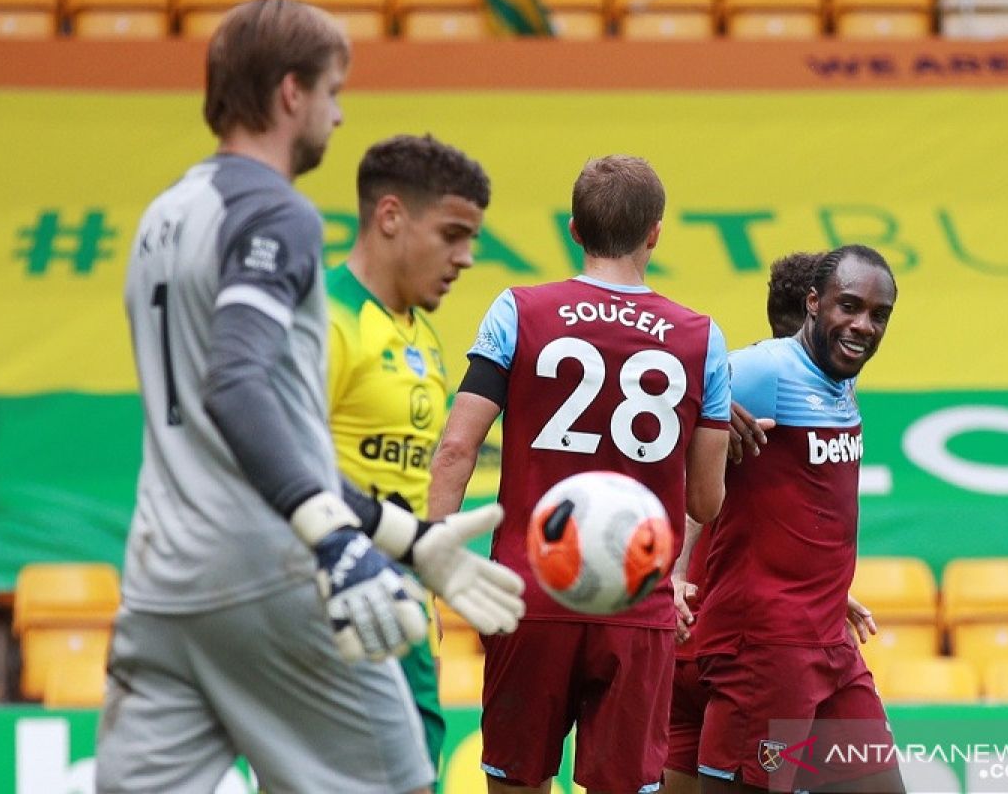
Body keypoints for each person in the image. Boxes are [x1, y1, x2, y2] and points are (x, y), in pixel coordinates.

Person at [97, 2, 522, 793]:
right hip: (268, 575)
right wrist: (335, 541)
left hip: (160, 584)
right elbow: (239, 387)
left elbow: (257, 432)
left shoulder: (163, 215)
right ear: (291, 93)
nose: (338, 112)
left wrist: (402, 533)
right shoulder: (274, 211)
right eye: (333, 90)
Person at [428, 154, 732, 794]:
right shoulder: (702, 339)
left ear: (574, 229)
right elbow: (705, 498)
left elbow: (456, 451)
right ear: (655, 232)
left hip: (529, 591)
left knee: (515, 781)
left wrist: (435, 562)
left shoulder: (519, 310)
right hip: (636, 597)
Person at [664, 252, 877, 794]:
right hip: (764, 642)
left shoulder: (839, 380)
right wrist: (674, 570)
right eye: (847, 306)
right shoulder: (763, 370)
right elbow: (662, 411)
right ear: (812, 306)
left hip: (825, 638)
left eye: (877, 314)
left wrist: (823, 579)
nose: (862, 326)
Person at [326, 134, 492, 782]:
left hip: (407, 620)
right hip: (332, 616)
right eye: (452, 234)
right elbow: (278, 472)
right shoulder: (323, 320)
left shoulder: (421, 333)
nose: (467, 258)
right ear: (390, 216)